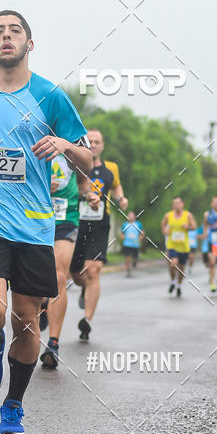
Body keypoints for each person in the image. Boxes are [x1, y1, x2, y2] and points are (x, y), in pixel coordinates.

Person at [0, 10, 91, 434]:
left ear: (30, 44)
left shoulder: (50, 96)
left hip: (34, 226)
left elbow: (88, 159)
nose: (6, 37)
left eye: (15, 31)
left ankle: (13, 404)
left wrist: (64, 143)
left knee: (26, 323)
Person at [39, 154, 99, 369]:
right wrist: (42, 185)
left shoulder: (72, 141)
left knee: (58, 276)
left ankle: (53, 344)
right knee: (35, 275)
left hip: (65, 217)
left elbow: (83, 181)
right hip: (32, 215)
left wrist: (90, 195)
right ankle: (44, 304)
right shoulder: (29, 133)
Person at [69, 129, 129, 341]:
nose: (93, 145)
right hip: (75, 225)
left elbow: (116, 185)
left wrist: (121, 198)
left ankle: (87, 320)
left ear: (102, 145)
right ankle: (85, 289)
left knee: (93, 271)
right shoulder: (74, 164)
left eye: (97, 142)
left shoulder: (111, 167)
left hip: (99, 226)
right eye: (89, 141)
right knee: (75, 274)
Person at [161, 197, 196, 298]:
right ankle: (173, 281)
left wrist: (188, 227)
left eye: (178, 203)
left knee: (181, 268)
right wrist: (165, 231)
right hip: (172, 245)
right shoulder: (168, 215)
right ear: (173, 205)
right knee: (173, 264)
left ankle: (179, 285)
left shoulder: (188, 215)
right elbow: (163, 225)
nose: (176, 205)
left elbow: (194, 226)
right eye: (174, 204)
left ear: (182, 204)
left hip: (184, 247)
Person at [203, 197, 217, 292]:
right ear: (211, 204)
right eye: (213, 202)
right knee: (212, 263)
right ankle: (212, 283)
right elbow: (206, 224)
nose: (215, 204)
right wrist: (205, 233)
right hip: (212, 241)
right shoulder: (208, 213)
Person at [121, 211, 144, 277]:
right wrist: (123, 238)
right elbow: (121, 233)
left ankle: (134, 262)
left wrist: (139, 239)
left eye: (132, 216)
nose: (130, 217)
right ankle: (128, 271)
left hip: (135, 244)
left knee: (135, 257)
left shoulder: (138, 224)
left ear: (134, 217)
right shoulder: (125, 225)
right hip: (127, 244)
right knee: (127, 258)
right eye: (129, 216)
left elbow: (142, 233)